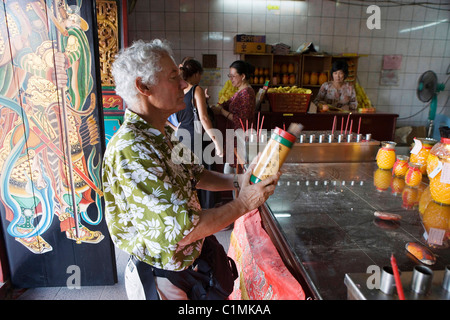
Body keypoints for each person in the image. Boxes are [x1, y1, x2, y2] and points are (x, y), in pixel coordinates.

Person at [103, 39, 280, 300]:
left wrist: (239, 181)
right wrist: (243, 204)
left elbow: (195, 174)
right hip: (162, 276)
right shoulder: (133, 148)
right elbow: (183, 229)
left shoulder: (160, 133)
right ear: (143, 86)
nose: (184, 84)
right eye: (174, 77)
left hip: (185, 267)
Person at [176, 58, 223, 209]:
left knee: (187, 175)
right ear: (196, 74)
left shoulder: (177, 90)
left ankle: (192, 210)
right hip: (196, 138)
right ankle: (206, 211)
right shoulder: (196, 89)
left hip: (181, 137)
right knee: (202, 174)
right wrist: (216, 142)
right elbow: (203, 118)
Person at [212, 60, 256, 174]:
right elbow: (227, 103)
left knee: (236, 176)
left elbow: (241, 120)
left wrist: (221, 112)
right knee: (230, 174)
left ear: (243, 76)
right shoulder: (240, 92)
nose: (231, 79)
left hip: (241, 139)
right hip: (234, 138)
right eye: (229, 76)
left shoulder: (247, 94)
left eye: (233, 76)